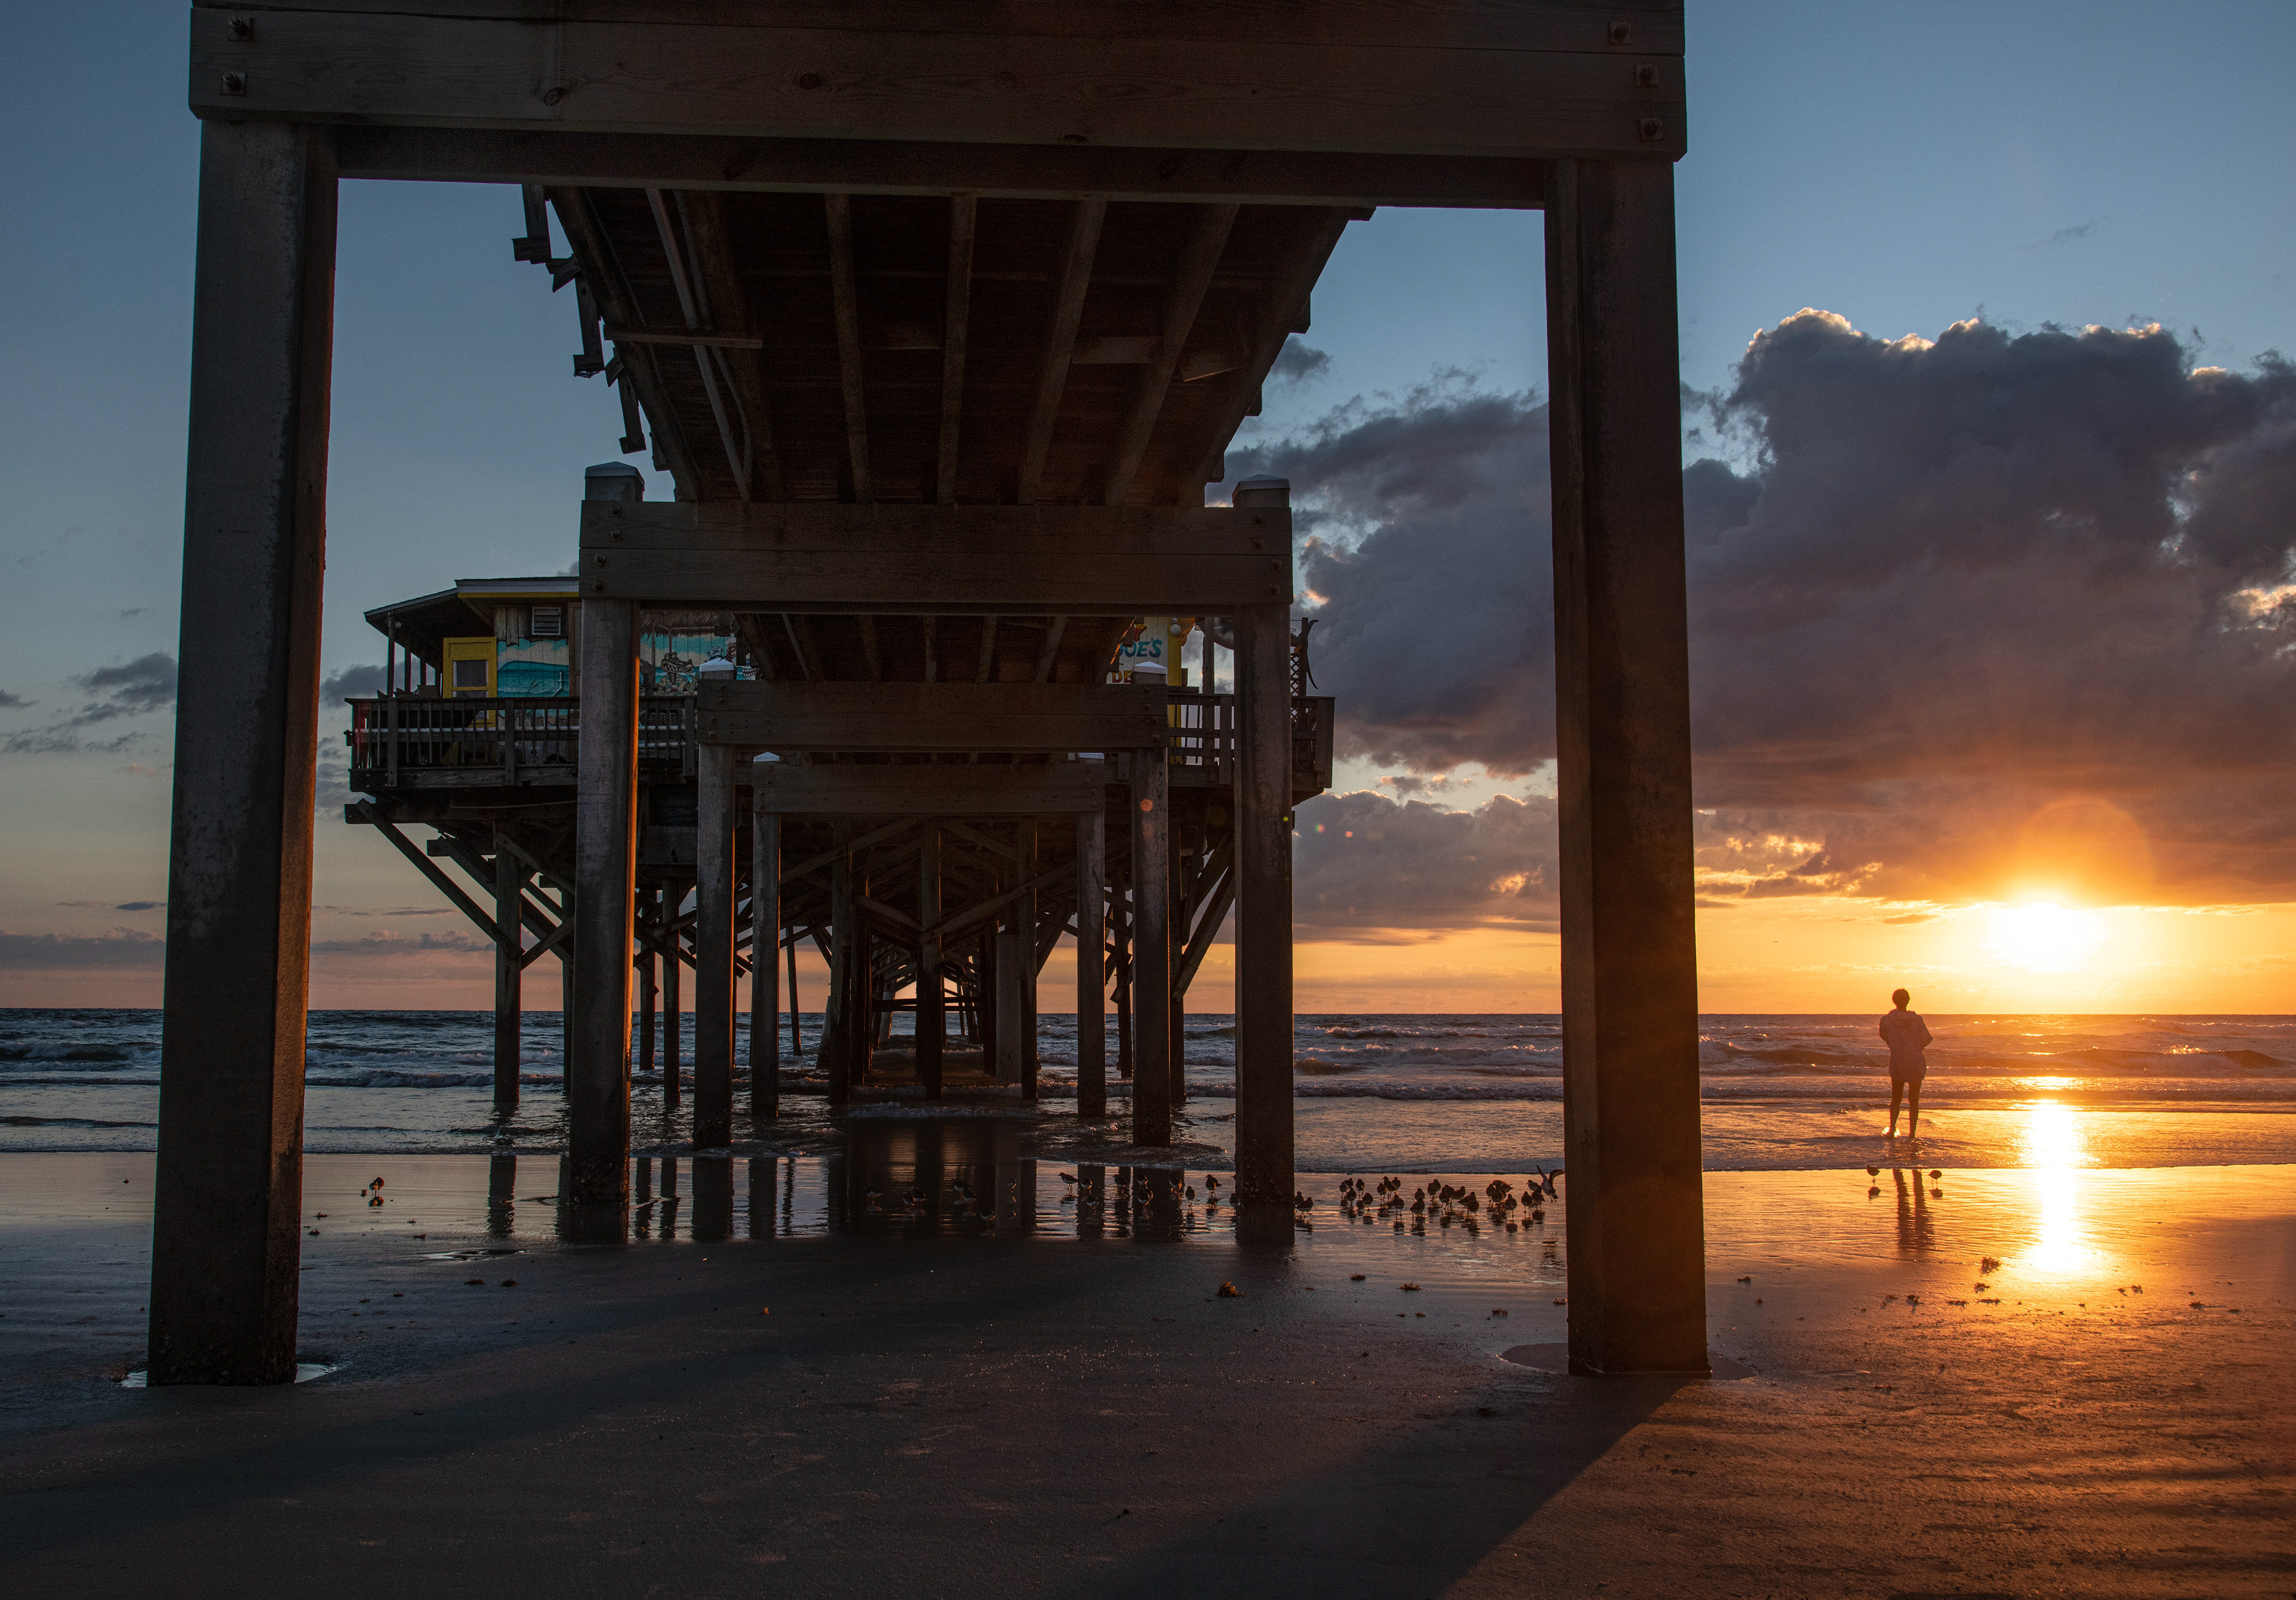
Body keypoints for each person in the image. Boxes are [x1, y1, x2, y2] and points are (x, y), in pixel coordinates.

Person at [1879, 988, 1934, 1138]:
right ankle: (1912, 1133)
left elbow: (1884, 1036)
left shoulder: (1886, 1020)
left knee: (1896, 1098)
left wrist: (1896, 1045)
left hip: (1897, 1060)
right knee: (1914, 1099)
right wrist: (1916, 1046)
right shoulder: (1917, 1020)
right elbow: (1927, 1039)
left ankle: (1892, 1129)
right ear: (1908, 1001)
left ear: (1894, 1001)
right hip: (1915, 1060)